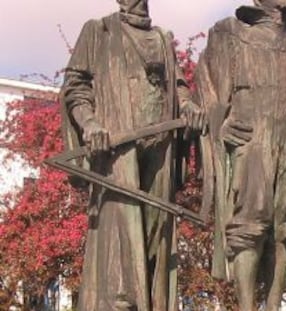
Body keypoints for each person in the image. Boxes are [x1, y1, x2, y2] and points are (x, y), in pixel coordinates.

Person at [60, 0, 204, 310]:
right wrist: (90, 123)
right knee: (120, 240)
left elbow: (178, 87)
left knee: (156, 239)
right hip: (118, 150)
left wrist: (188, 105)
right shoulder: (99, 30)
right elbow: (75, 86)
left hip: (161, 147)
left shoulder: (163, 38)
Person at [196, 0, 286, 309]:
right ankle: (244, 306)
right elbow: (208, 88)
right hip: (250, 138)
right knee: (248, 224)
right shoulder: (230, 34)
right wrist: (220, 124)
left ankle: (272, 304)